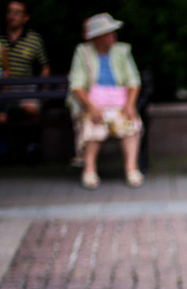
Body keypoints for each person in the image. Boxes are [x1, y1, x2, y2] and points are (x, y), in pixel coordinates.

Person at [66, 12, 143, 189]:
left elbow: (134, 81)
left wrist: (130, 106)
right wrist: (91, 108)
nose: (113, 35)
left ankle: (131, 169)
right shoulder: (82, 52)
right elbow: (76, 85)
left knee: (131, 124)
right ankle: (89, 170)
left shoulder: (122, 51)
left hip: (119, 104)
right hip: (92, 104)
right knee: (93, 125)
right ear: (97, 37)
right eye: (109, 32)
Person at [0, 0, 51, 119]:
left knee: (31, 109)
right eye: (9, 12)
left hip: (25, 87)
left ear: (25, 18)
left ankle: (33, 137)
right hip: (0, 87)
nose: (12, 16)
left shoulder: (34, 39)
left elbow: (45, 67)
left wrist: (44, 90)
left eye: (17, 13)